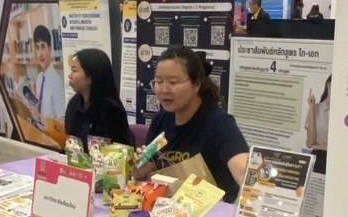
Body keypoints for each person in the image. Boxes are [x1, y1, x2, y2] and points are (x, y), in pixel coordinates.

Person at [138, 46, 249, 202]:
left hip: (213, 211)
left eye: (172, 82)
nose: (163, 89)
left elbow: (244, 171)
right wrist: (138, 168)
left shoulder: (219, 124)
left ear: (196, 84)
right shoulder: (160, 121)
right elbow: (151, 165)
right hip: (169, 208)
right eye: (158, 81)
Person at [65, 48, 133, 149]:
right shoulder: (74, 104)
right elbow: (70, 142)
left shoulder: (112, 111)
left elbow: (120, 151)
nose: (70, 75)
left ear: (90, 77)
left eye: (74, 70)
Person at [30, 23, 66, 122]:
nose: (40, 54)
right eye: (37, 48)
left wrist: (39, 118)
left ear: (50, 49)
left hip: (50, 132)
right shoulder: (39, 78)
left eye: (43, 47)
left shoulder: (57, 81)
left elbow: (62, 122)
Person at [305, 75, 332, 174]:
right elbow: (310, 142)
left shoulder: (346, 111)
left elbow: (342, 145)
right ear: (328, 85)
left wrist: (317, 146)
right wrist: (312, 108)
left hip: (339, 158)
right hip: (319, 160)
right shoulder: (316, 108)